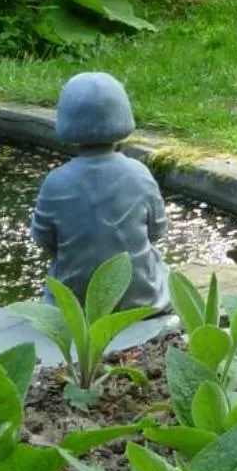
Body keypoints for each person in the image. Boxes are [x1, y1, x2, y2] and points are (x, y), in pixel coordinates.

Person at [30, 71, 166, 311]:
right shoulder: (139, 173)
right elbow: (156, 231)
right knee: (161, 267)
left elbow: (43, 239)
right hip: (140, 300)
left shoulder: (56, 182)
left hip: (76, 305)